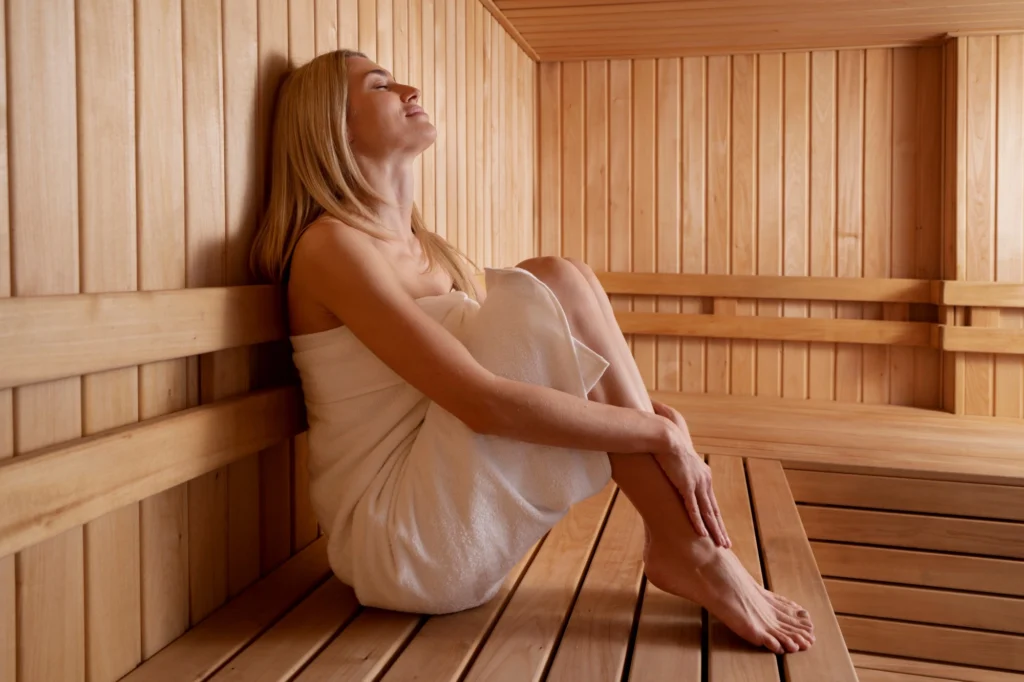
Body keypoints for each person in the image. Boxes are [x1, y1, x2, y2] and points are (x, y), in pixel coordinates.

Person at [249, 49, 815, 655]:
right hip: (404, 544)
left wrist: (652, 417)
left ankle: (692, 549)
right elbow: (482, 404)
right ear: (332, 125)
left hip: (454, 531)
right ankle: (694, 551)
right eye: (382, 85)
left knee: (563, 278)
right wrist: (656, 434)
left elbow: (522, 379)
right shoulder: (329, 248)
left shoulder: (429, 253)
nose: (409, 87)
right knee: (553, 277)